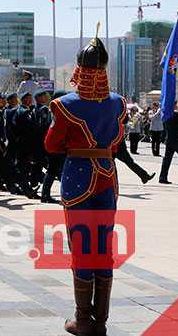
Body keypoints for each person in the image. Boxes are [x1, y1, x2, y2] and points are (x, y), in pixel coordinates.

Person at [45, 37, 125, 336]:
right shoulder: (117, 102)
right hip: (107, 177)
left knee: (81, 247)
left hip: (78, 178)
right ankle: (101, 319)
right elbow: (117, 140)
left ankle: (83, 320)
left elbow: (51, 144)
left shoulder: (66, 105)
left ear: (80, 69)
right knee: (103, 247)